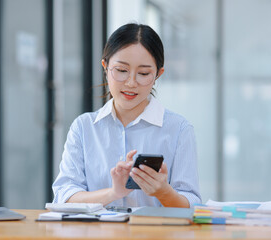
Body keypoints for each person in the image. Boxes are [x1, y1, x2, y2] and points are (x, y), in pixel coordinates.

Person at [52, 23, 201, 208]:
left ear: (158, 75)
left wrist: (163, 192)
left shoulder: (179, 129)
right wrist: (113, 193)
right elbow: (64, 196)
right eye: (122, 71)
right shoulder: (83, 127)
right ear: (105, 67)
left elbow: (193, 205)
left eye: (144, 73)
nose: (131, 83)